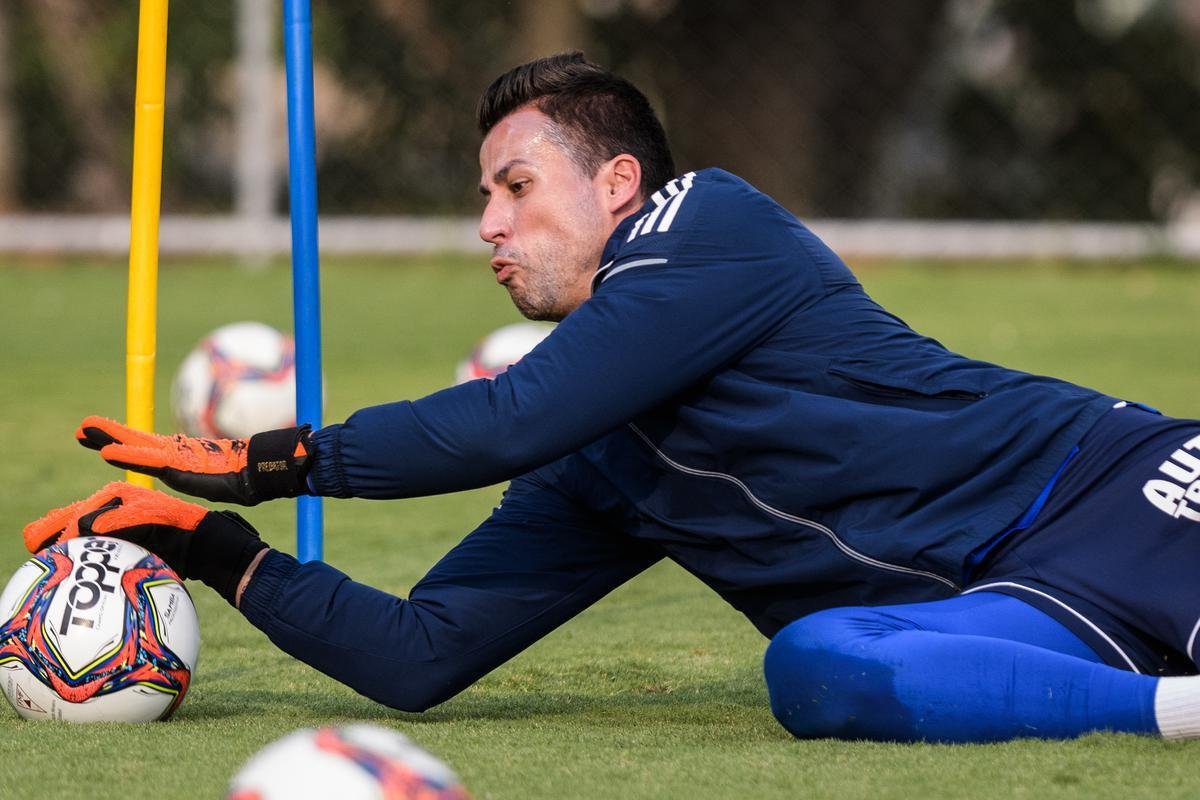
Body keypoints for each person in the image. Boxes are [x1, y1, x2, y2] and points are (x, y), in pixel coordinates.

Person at [24, 52, 1200, 743]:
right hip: (1019, 604)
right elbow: (419, 655)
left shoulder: (710, 221)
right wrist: (214, 545)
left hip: (1123, 491)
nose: (489, 225)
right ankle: (1172, 710)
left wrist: (263, 459)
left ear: (621, 182)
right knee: (815, 666)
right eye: (482, 197)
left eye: (516, 186)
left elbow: (506, 419)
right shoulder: (602, 459)